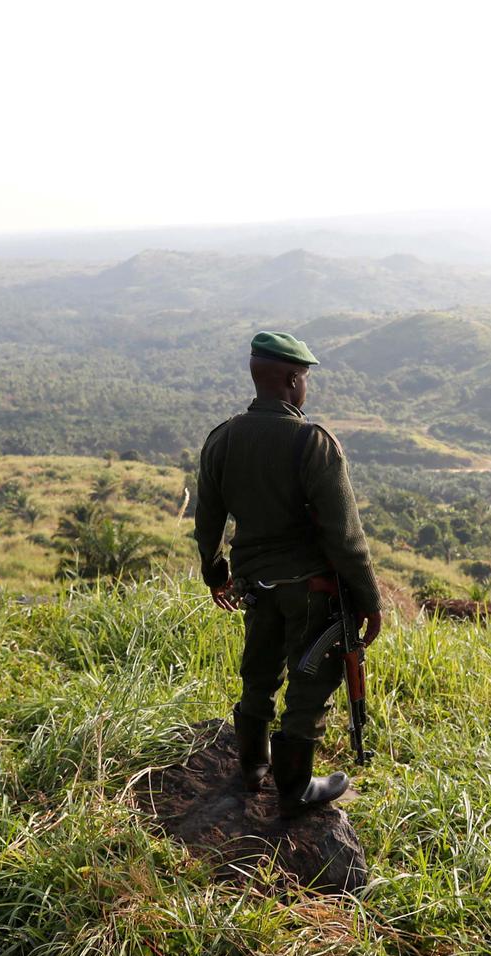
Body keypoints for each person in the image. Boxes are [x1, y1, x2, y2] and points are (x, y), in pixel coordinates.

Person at [194, 331, 384, 817]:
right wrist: (370, 599)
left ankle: (254, 766)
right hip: (311, 589)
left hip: (254, 584)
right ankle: (295, 786)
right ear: (294, 379)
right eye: (306, 380)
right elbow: (346, 537)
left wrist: (216, 574)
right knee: (311, 683)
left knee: (258, 674)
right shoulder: (313, 443)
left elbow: (209, 520)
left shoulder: (223, 437)